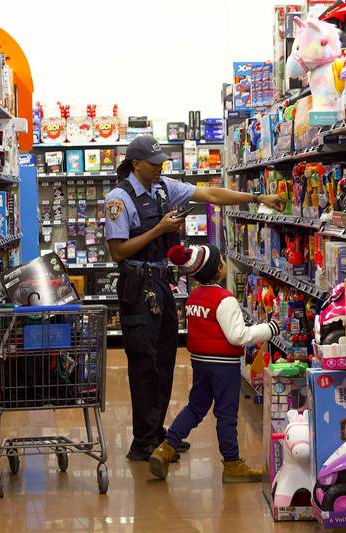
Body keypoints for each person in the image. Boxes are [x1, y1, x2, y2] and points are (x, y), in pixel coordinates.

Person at [104, 135, 284, 461]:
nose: (161, 166)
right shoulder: (119, 199)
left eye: (162, 162)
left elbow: (213, 193)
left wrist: (260, 196)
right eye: (154, 162)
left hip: (162, 286)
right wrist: (159, 230)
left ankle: (158, 435)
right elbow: (117, 252)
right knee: (145, 366)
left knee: (165, 361)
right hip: (136, 287)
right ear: (136, 164)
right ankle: (143, 442)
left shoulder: (164, 188)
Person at [149, 244, 280, 482]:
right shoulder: (225, 299)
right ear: (218, 268)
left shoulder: (193, 297)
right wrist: (269, 329)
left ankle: (166, 448)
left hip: (200, 362)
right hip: (224, 365)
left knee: (196, 407)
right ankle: (232, 464)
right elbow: (237, 336)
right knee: (226, 414)